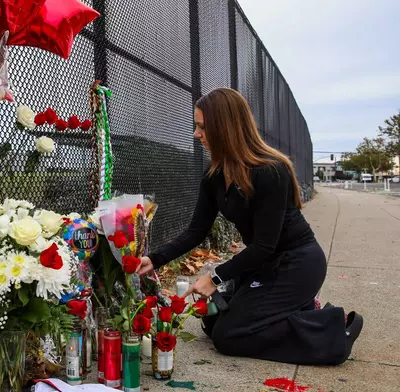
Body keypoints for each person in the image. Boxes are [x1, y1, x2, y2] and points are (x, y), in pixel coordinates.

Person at [137, 88, 363, 366]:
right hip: (263, 264)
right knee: (213, 319)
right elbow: (196, 231)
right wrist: (154, 259)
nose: (196, 134)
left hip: (297, 263)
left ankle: (332, 329)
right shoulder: (214, 177)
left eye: (202, 126)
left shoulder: (270, 171)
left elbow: (264, 246)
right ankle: (301, 310)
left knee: (228, 336)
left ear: (226, 128)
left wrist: (215, 277)